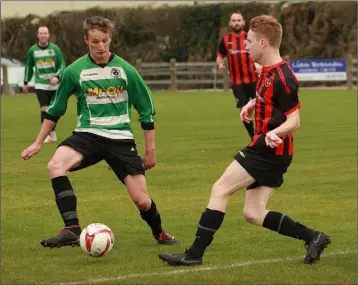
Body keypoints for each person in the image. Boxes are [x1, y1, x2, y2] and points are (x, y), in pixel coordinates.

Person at [159, 15, 331, 266]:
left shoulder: (283, 77)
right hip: (272, 151)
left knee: (220, 189)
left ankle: (193, 254)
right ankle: (313, 236)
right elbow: (266, 96)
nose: (245, 46)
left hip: (268, 150)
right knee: (253, 213)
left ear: (263, 43)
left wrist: (275, 133)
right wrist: (251, 104)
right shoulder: (267, 70)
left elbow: (294, 121)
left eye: (249, 41)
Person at [21, 16, 179, 248]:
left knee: (142, 201)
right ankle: (72, 229)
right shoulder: (75, 71)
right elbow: (55, 110)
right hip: (88, 135)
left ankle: (160, 233)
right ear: (86, 40)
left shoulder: (126, 70)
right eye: (95, 41)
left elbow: (146, 111)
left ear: (110, 38)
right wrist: (37, 142)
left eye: (105, 40)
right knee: (55, 165)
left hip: (121, 139)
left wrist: (150, 151)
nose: (101, 46)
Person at [217, 12, 262, 139]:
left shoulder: (251, 37)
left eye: (239, 20)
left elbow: (260, 53)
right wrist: (220, 64)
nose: (236, 22)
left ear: (243, 22)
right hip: (237, 82)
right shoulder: (225, 40)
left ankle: (261, 134)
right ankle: (254, 138)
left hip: (254, 79)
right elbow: (220, 55)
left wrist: (260, 65)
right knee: (245, 111)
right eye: (234, 20)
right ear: (230, 23)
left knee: (260, 108)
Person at [23, 26, 65, 143]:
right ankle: (45, 135)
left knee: (54, 110)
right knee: (44, 108)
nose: (43, 35)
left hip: (54, 85)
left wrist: (57, 77)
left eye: (45, 33)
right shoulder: (33, 50)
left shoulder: (55, 49)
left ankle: (52, 133)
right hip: (40, 84)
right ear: (37, 35)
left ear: (48, 35)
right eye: (41, 33)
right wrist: (26, 82)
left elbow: (62, 65)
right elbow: (28, 66)